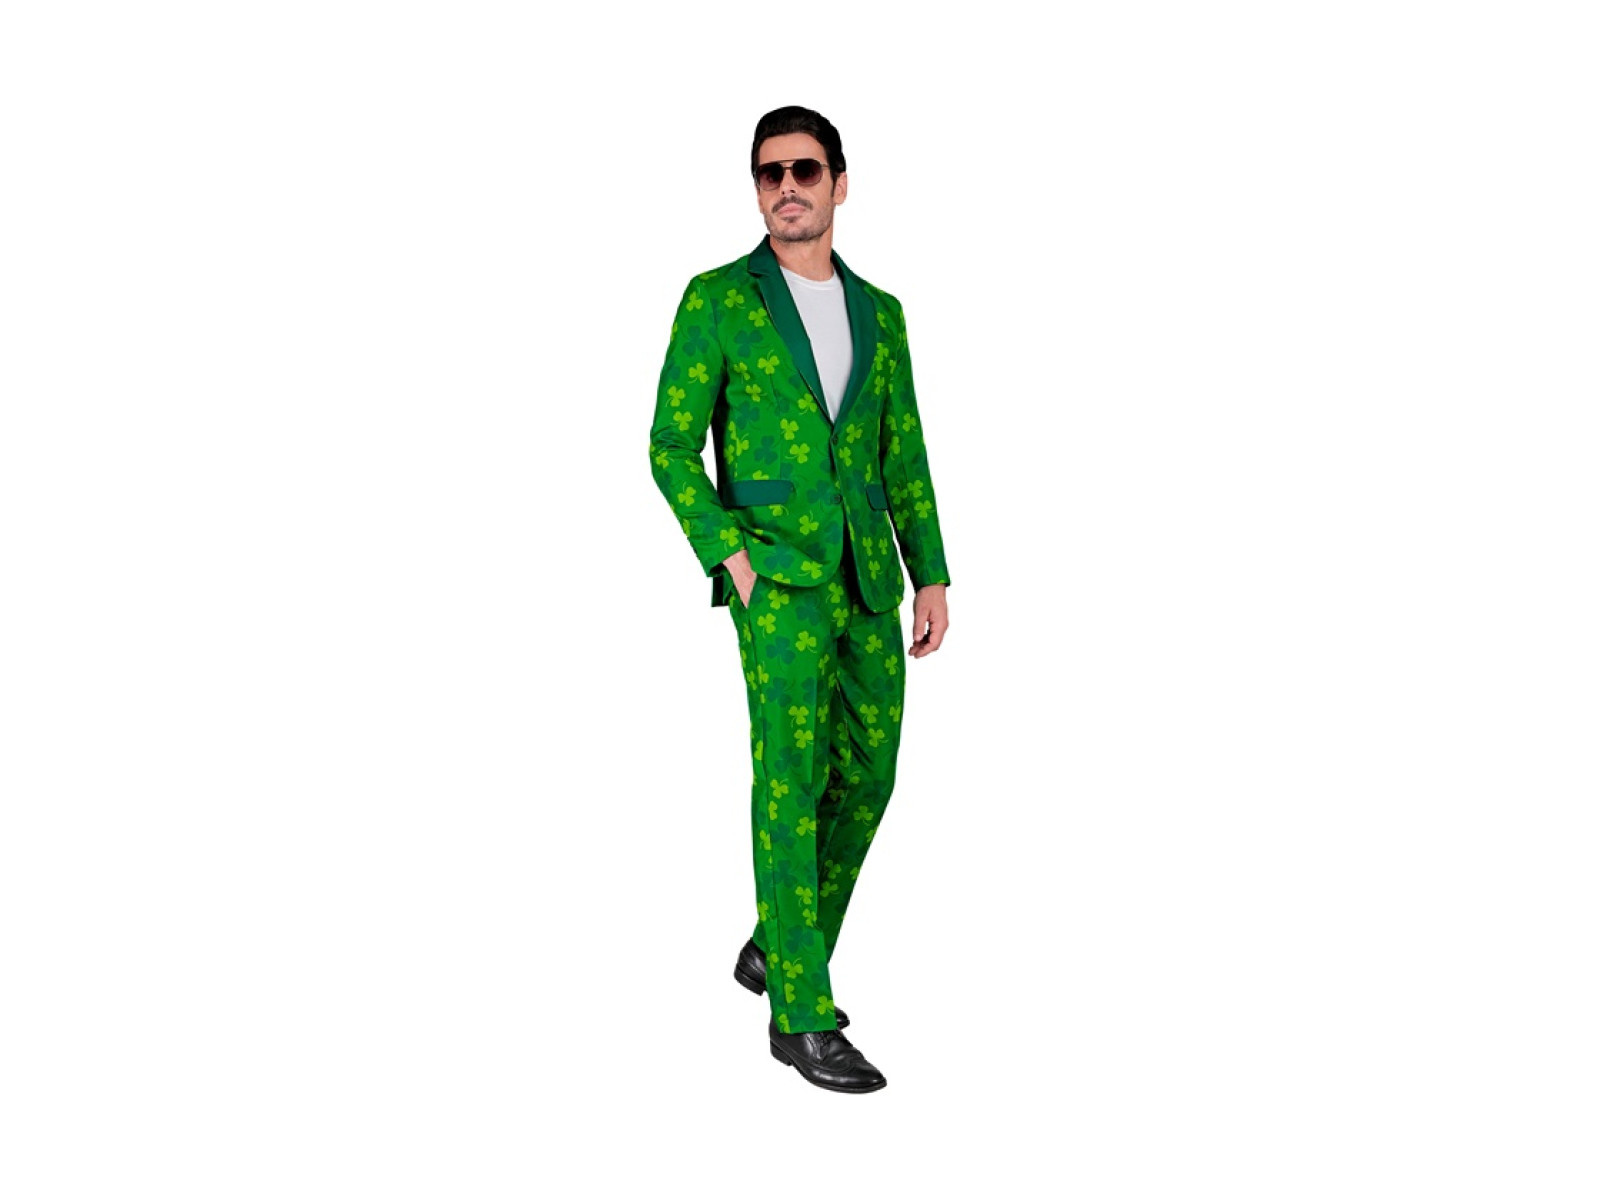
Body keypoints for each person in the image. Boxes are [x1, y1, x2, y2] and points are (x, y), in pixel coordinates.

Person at [646, 105, 952, 1093]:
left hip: (869, 578)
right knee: (790, 781)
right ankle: (800, 1014)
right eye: (770, 172)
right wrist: (729, 558)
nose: (787, 187)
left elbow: (901, 449)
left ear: (839, 184)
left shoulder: (882, 314)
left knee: (869, 776)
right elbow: (670, 445)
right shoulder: (718, 300)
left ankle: (777, 944)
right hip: (774, 579)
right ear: (757, 189)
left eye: (805, 170)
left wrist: (931, 571)